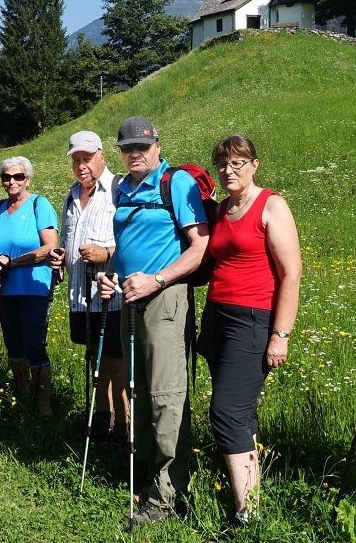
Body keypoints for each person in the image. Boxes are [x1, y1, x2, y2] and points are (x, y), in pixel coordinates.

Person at [99, 116, 209, 526]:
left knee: (166, 395)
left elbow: (200, 247)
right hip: (129, 298)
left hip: (165, 298)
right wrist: (109, 274)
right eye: (128, 148)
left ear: (158, 146)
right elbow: (125, 246)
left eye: (142, 147)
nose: (135, 154)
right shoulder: (121, 188)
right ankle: (148, 474)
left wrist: (156, 279)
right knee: (140, 390)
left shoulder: (176, 184)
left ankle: (168, 495)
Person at [197, 135, 301, 526]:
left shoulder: (271, 205)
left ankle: (247, 514)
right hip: (218, 317)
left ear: (255, 165)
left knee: (225, 411)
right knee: (240, 414)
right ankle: (251, 494)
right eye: (223, 164)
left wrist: (281, 334)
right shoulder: (222, 208)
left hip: (253, 321)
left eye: (238, 163)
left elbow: (292, 272)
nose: (229, 170)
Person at [49, 131, 127, 442]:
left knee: (116, 362)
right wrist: (61, 256)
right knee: (94, 357)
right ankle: (101, 420)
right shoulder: (71, 195)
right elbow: (70, 239)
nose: (82, 165)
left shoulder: (119, 189)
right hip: (81, 296)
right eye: (76, 160)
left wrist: (106, 253)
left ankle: (124, 427)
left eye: (87, 158)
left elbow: (134, 242)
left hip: (112, 295)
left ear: (102, 156)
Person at [0, 156, 59, 415]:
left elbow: (49, 248)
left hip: (34, 287)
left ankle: (44, 404)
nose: (12, 181)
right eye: (6, 177)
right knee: (13, 344)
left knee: (33, 345)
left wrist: (11, 263)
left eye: (18, 176)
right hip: (5, 289)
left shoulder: (40, 204)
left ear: (28, 179)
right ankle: (21, 397)